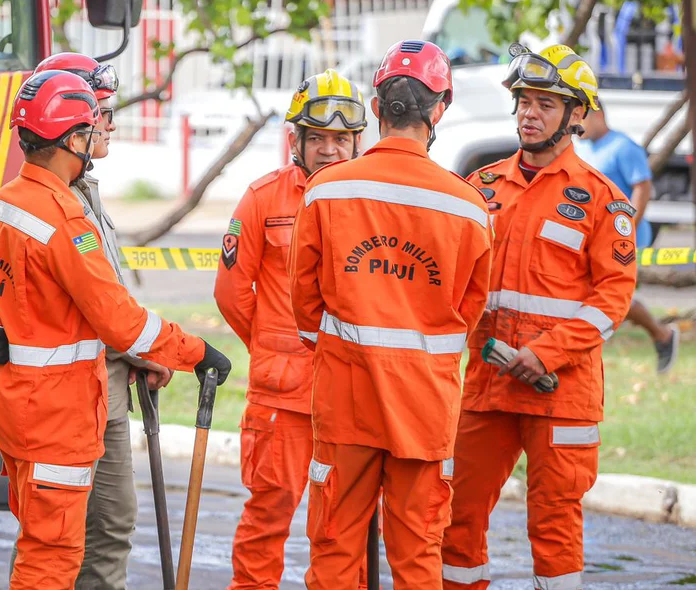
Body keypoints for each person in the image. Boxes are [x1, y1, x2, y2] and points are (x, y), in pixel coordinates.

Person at [0, 70, 232, 589]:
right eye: (87, 131)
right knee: (52, 555)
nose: (94, 140)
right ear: (69, 139)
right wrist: (194, 352)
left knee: (38, 538)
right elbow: (119, 321)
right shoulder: (65, 221)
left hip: (15, 407)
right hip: (57, 415)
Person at [290, 40, 493, 588]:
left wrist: (337, 347)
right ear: (439, 110)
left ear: (376, 109)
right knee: (418, 555)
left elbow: (304, 303)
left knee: (334, 549)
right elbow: (470, 309)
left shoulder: (325, 190)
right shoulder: (469, 207)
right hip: (425, 407)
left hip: (346, 397)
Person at [441, 44, 638, 590]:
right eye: (525, 101)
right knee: (456, 519)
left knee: (554, 528)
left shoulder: (603, 202)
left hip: (561, 393)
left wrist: (545, 353)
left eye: (546, 103)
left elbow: (611, 301)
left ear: (578, 114)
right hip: (486, 388)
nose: (530, 112)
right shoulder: (479, 189)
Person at [214, 69, 370, 590]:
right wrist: (272, 346)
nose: (330, 150)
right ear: (295, 140)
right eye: (319, 138)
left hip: (352, 394)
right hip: (282, 399)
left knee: (341, 529)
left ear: (357, 141)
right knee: (268, 518)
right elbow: (232, 294)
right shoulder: (262, 199)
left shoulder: (375, 199)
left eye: (341, 139)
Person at [17, 52, 164, 590]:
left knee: (103, 528)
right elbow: (102, 308)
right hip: (77, 394)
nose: (109, 124)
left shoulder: (82, 193)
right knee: (74, 538)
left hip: (108, 382)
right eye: (101, 112)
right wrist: (167, 351)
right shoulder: (59, 204)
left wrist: (141, 356)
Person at [576, 104, 680, 374]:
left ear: (598, 115)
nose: (577, 125)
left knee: (611, 294)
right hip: (590, 235)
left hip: (623, 237)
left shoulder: (624, 147)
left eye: (582, 117)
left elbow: (642, 188)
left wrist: (627, 229)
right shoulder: (580, 147)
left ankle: (662, 335)